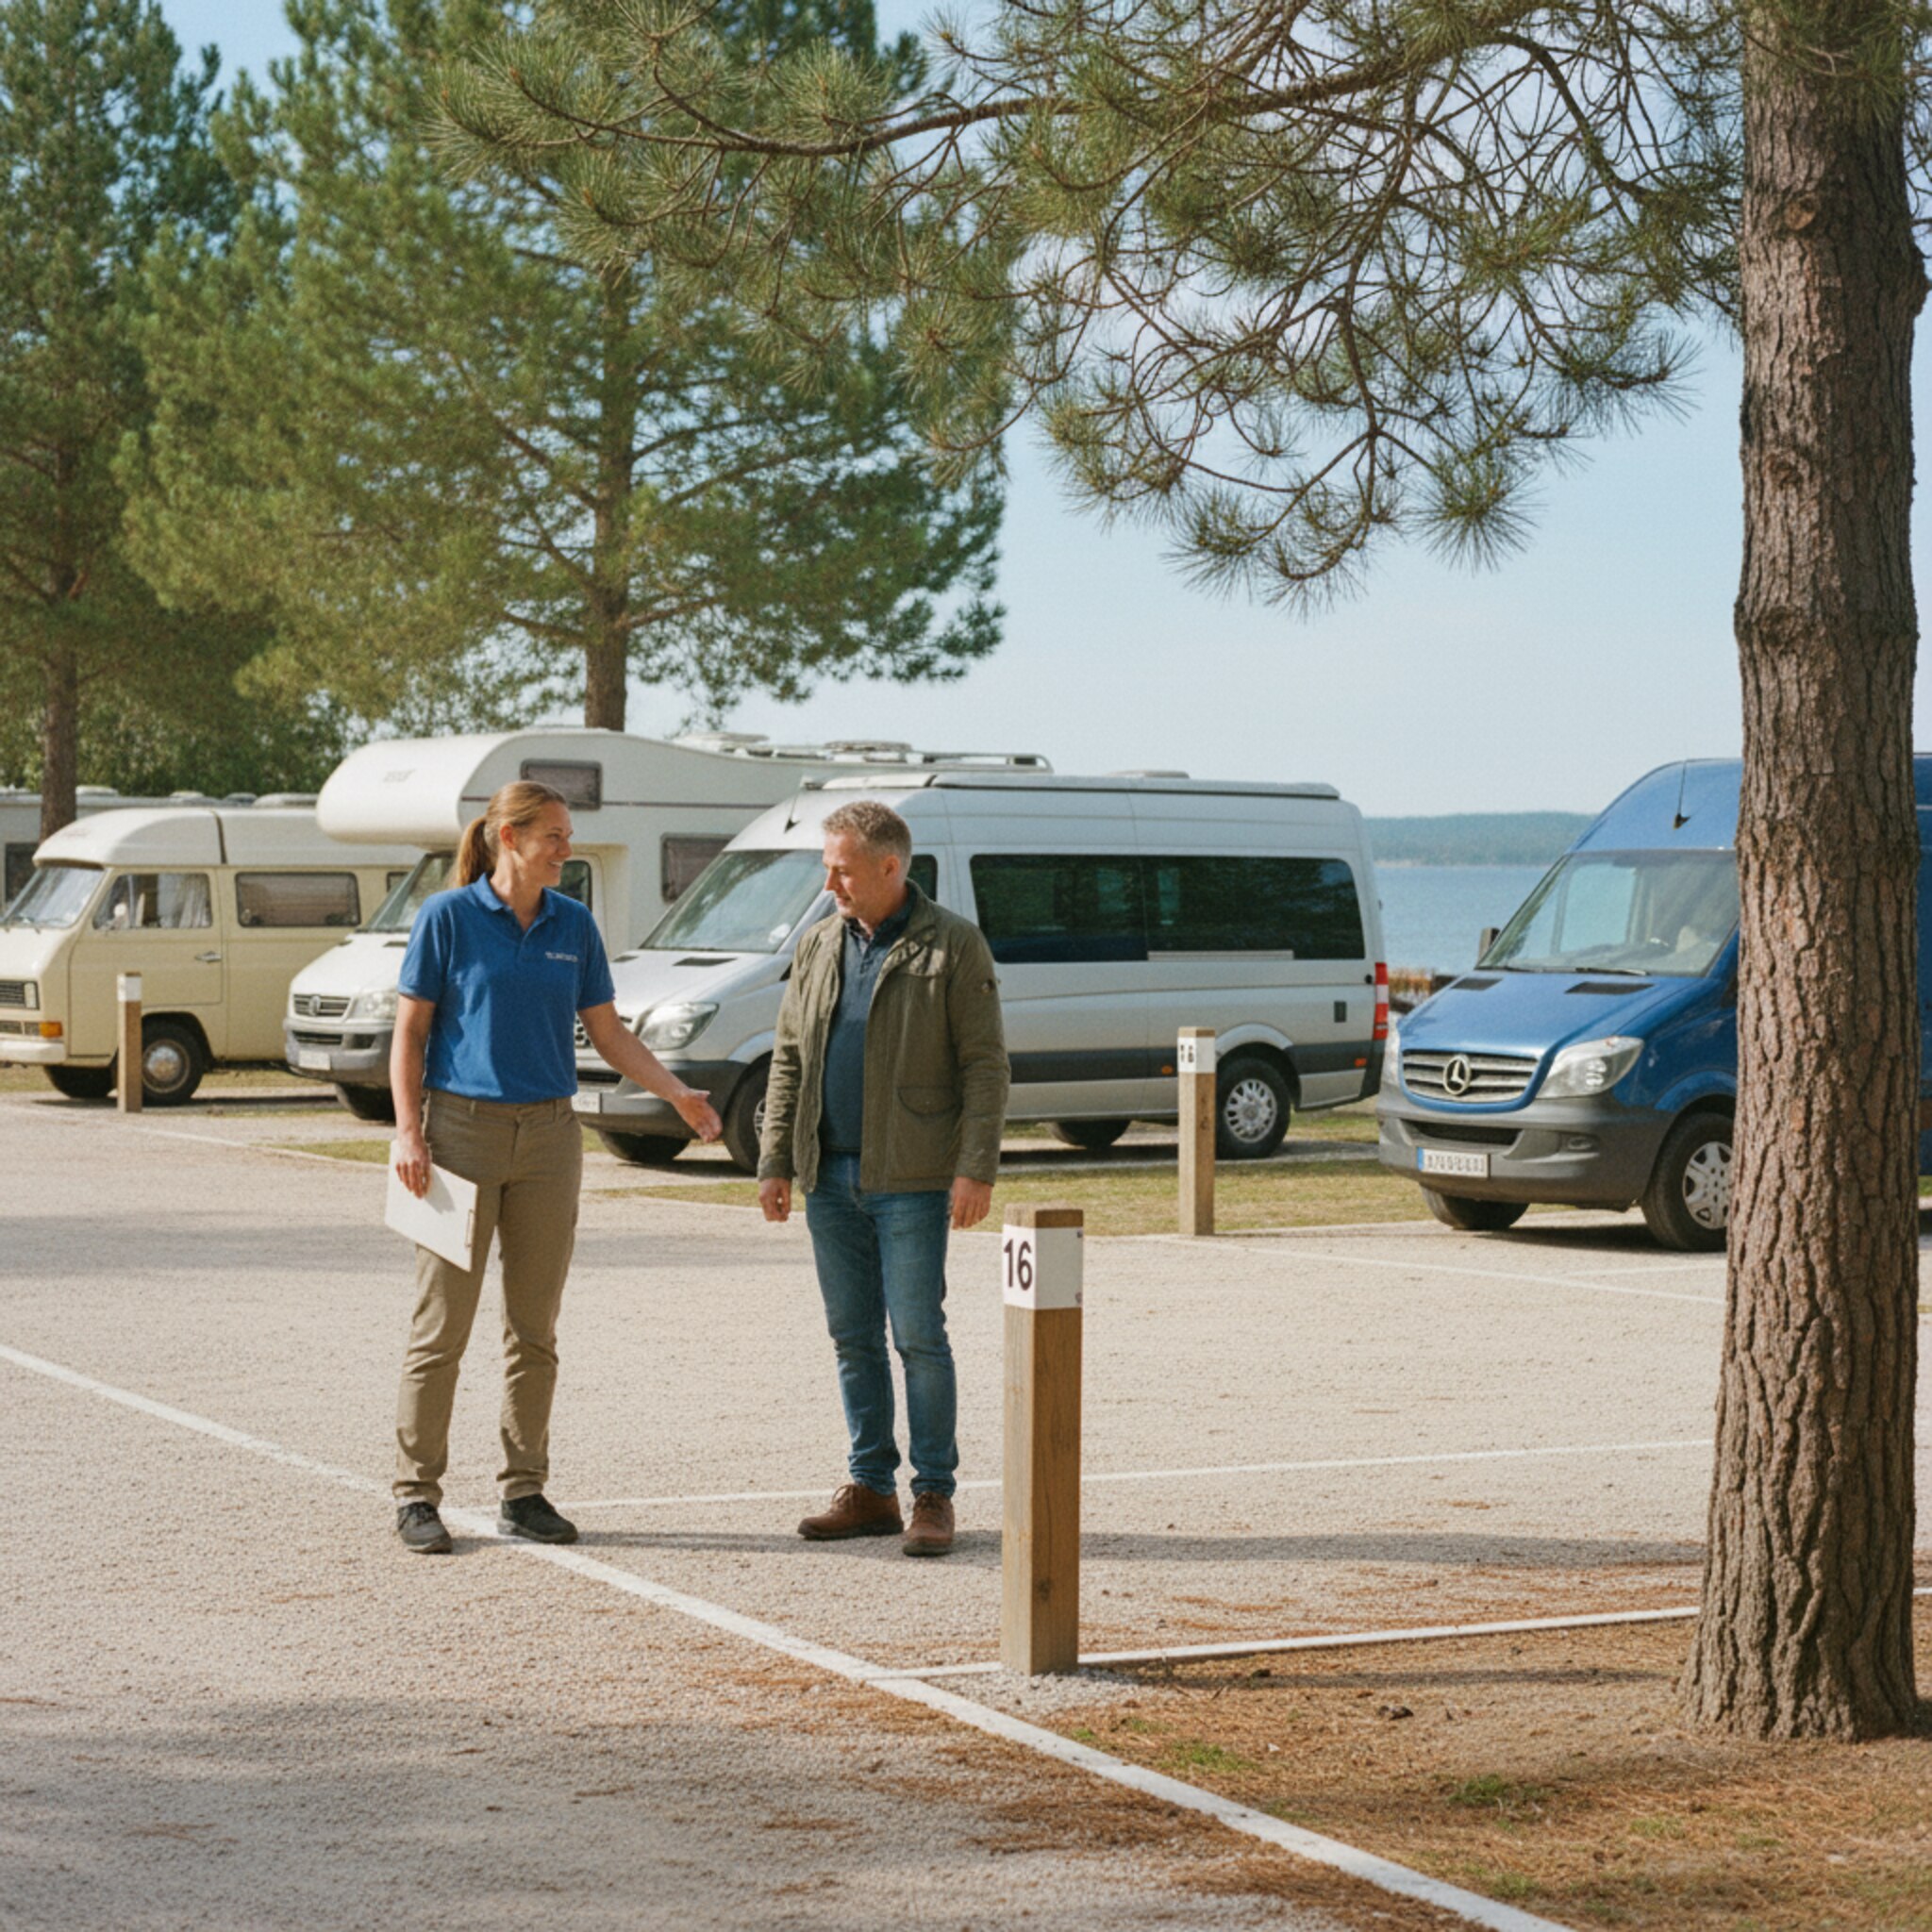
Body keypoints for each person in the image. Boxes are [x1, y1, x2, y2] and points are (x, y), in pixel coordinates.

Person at [389, 780, 722, 1556]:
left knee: (532, 1330)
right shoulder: (447, 918)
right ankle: (415, 1496)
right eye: (555, 836)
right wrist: (410, 1133)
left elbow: (608, 1035)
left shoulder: (575, 924)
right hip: (459, 1135)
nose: (567, 849)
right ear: (510, 838)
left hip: (549, 1139)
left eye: (567, 835)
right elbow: (410, 1034)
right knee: (441, 1328)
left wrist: (675, 1093)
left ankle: (524, 1490)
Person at [758, 799, 1009, 1557]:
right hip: (826, 1175)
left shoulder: (955, 947)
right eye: (827, 868)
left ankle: (933, 1494)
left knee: (920, 1337)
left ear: (889, 868)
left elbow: (986, 1066)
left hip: (913, 1179)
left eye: (840, 868)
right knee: (852, 1339)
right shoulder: (818, 944)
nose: (829, 882)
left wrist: (975, 1169)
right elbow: (789, 1057)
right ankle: (870, 1488)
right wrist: (775, 1158)